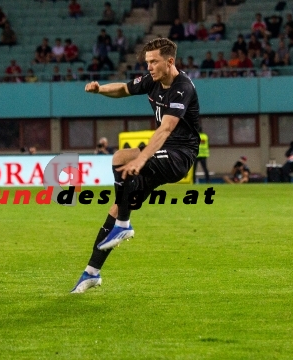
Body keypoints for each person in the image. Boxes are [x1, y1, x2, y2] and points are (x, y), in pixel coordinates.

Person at [71, 37, 201, 293]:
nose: (149, 67)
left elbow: (166, 129)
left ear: (170, 61)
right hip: (162, 151)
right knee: (119, 166)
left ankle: (123, 225)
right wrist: (100, 90)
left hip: (179, 156)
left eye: (154, 62)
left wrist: (141, 159)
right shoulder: (152, 80)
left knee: (130, 164)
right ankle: (91, 273)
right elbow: (123, 89)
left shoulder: (182, 88)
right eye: (147, 62)